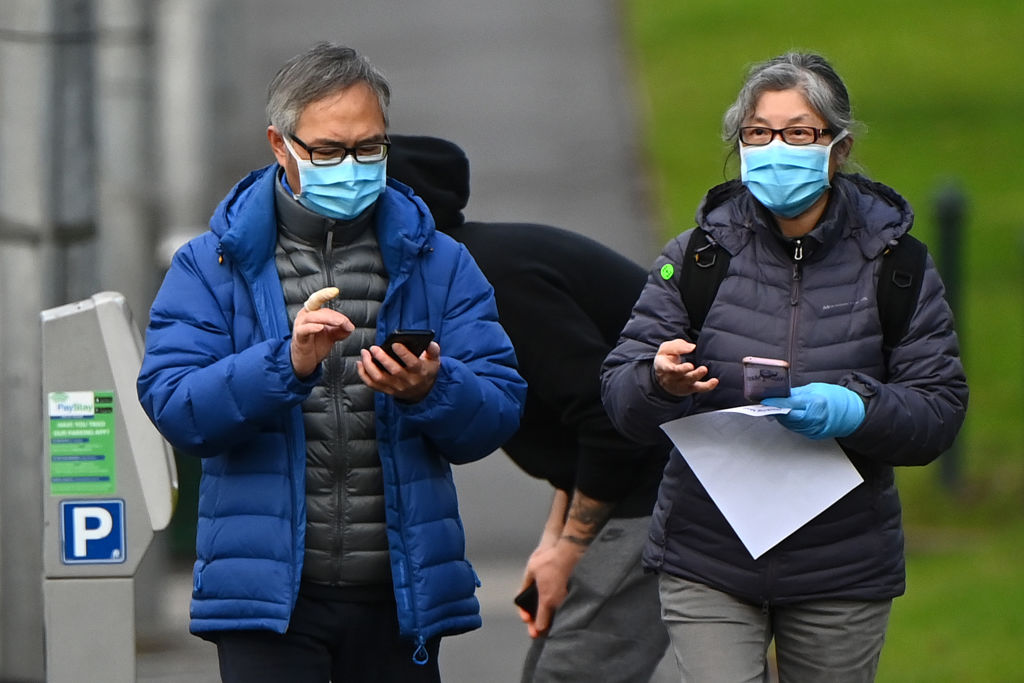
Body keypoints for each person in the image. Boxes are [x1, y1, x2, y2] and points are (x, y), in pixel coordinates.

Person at [136, 43, 526, 683]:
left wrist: (431, 386)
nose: (351, 167)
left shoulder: (440, 261)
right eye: (328, 150)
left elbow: (498, 412)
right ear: (279, 145)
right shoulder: (211, 264)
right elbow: (176, 408)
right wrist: (284, 365)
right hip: (267, 605)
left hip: (399, 600)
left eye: (369, 148)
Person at [600, 52, 968, 683]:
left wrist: (855, 407)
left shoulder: (896, 264)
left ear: (839, 147)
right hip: (708, 554)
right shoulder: (695, 258)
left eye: (799, 132)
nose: (776, 148)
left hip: (840, 566)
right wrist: (659, 381)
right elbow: (619, 395)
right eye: (758, 133)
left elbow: (937, 410)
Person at [387, 134, 671, 682]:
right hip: (643, 473)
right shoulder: (463, 273)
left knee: (571, 673)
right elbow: (578, 429)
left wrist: (569, 550)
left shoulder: (494, 282)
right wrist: (552, 544)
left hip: (682, 476)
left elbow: (613, 420)